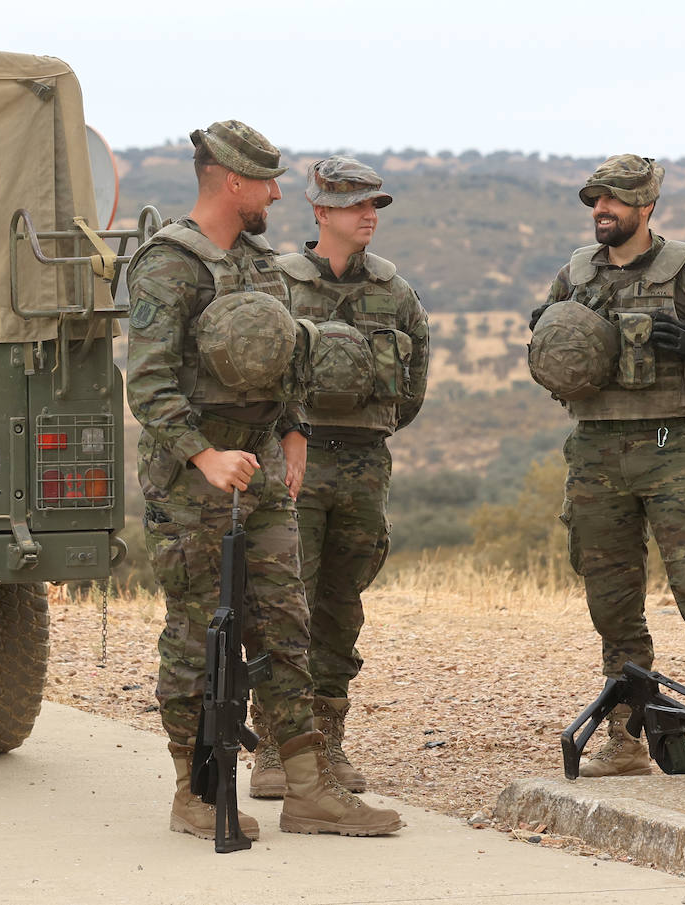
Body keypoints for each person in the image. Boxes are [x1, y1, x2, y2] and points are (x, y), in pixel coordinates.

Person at [125, 120, 403, 837]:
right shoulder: (166, 264)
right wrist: (202, 455)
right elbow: (149, 385)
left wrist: (293, 431)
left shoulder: (261, 264)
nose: (279, 195)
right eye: (269, 183)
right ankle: (193, 789)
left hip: (264, 472)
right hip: (192, 485)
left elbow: (284, 359)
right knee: (196, 632)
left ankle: (309, 787)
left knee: (287, 622)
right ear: (232, 181)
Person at [531, 154, 685, 777]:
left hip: (670, 449)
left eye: (612, 200)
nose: (600, 211)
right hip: (595, 451)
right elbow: (548, 343)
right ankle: (627, 738)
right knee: (611, 597)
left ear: (647, 206)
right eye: (594, 201)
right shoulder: (576, 274)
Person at [248, 157, 429, 797]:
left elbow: (411, 393)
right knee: (282, 603)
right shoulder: (279, 285)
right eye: (355, 206)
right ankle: (274, 747)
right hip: (293, 460)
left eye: (374, 205)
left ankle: (326, 746)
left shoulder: (395, 294)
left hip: (363, 464)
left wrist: (364, 435)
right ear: (320, 212)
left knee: (340, 605)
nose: (368, 216)